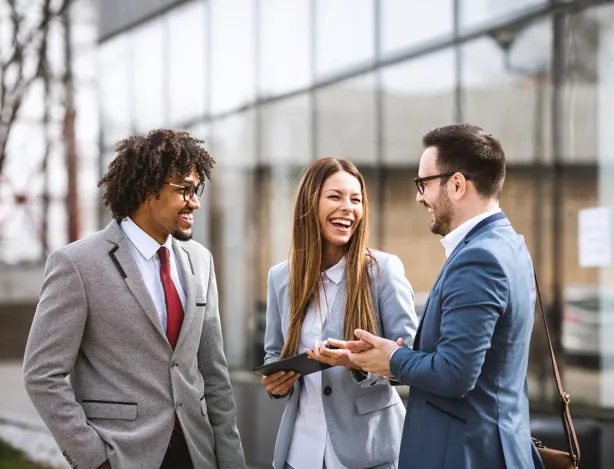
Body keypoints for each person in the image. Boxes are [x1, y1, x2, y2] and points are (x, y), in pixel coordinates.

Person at [23, 129, 247, 469]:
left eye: (197, 190)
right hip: (123, 455)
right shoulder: (78, 265)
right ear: (147, 190)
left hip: (197, 453)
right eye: (184, 190)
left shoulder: (201, 261)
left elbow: (213, 374)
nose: (195, 202)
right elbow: (42, 375)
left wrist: (231, 461)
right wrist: (94, 459)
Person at [336, 124, 545, 469]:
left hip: (467, 455)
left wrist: (391, 359)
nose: (420, 197)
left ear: (458, 184)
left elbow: (454, 374)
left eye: (424, 184)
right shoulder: (510, 244)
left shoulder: (480, 257)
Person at [261, 157, 418, 469]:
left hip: (369, 453)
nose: (349, 207)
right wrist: (276, 383)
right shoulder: (280, 278)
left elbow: (411, 356)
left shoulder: (383, 270)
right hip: (299, 453)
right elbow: (273, 354)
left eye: (356, 199)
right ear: (310, 202)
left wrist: (357, 362)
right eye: (335, 196)